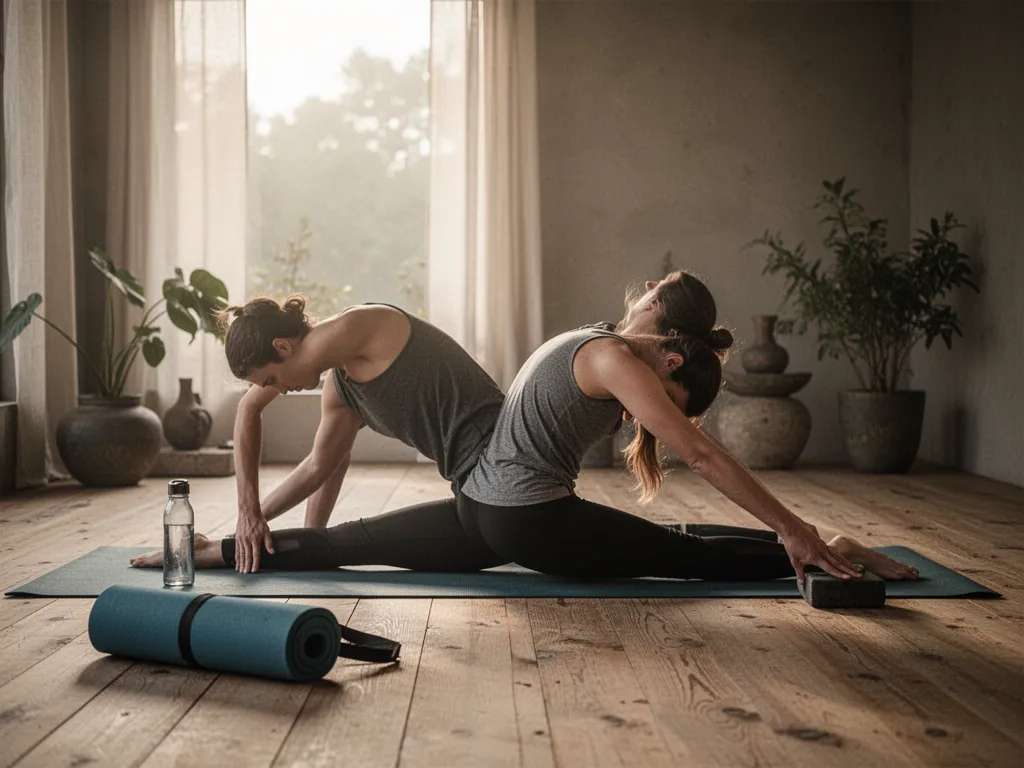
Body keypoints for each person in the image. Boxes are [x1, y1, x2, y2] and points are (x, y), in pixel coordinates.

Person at [132, 272, 918, 585]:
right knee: (681, 556)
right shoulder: (606, 353)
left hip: (484, 506)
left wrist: (241, 516)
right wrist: (796, 526)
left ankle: (813, 549)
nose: (638, 289)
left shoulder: (592, 343)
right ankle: (821, 554)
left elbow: (272, 418)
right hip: (513, 516)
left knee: (352, 546)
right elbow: (704, 452)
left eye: (650, 290)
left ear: (663, 335)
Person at [197, 296, 508, 574]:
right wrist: (262, 525)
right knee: (350, 543)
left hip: (507, 470)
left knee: (358, 541)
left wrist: (249, 514)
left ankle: (214, 552)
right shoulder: (341, 386)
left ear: (282, 346)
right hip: (475, 494)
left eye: (271, 379)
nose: (278, 390)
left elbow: (251, 404)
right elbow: (319, 466)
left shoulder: (359, 325)